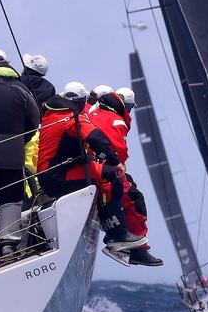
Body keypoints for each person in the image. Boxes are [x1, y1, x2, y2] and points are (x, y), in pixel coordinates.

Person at [37, 82, 145, 255]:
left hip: (50, 174)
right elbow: (94, 136)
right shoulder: (72, 118)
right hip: (57, 177)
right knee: (111, 176)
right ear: (80, 102)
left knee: (99, 171)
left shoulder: (52, 115)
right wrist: (115, 161)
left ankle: (107, 221)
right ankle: (116, 235)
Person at [88, 88, 162, 266]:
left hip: (90, 165)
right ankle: (137, 246)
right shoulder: (116, 120)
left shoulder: (92, 111)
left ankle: (126, 238)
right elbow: (119, 152)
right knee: (134, 198)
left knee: (126, 187)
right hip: (101, 168)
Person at [0, 49, 40, 256]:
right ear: (7, 64)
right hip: (12, 156)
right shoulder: (21, 89)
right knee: (11, 197)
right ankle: (8, 245)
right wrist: (18, 141)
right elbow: (34, 122)